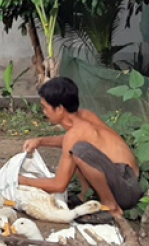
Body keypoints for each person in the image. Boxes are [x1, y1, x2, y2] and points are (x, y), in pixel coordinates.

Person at [19, 77, 142, 222]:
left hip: (126, 190)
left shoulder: (75, 134)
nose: (44, 112)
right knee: (79, 149)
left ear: (59, 109)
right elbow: (69, 142)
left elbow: (59, 185)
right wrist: (40, 141)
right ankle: (84, 196)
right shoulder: (85, 116)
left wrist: (22, 180)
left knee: (80, 152)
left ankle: (112, 207)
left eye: (45, 107)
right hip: (130, 181)